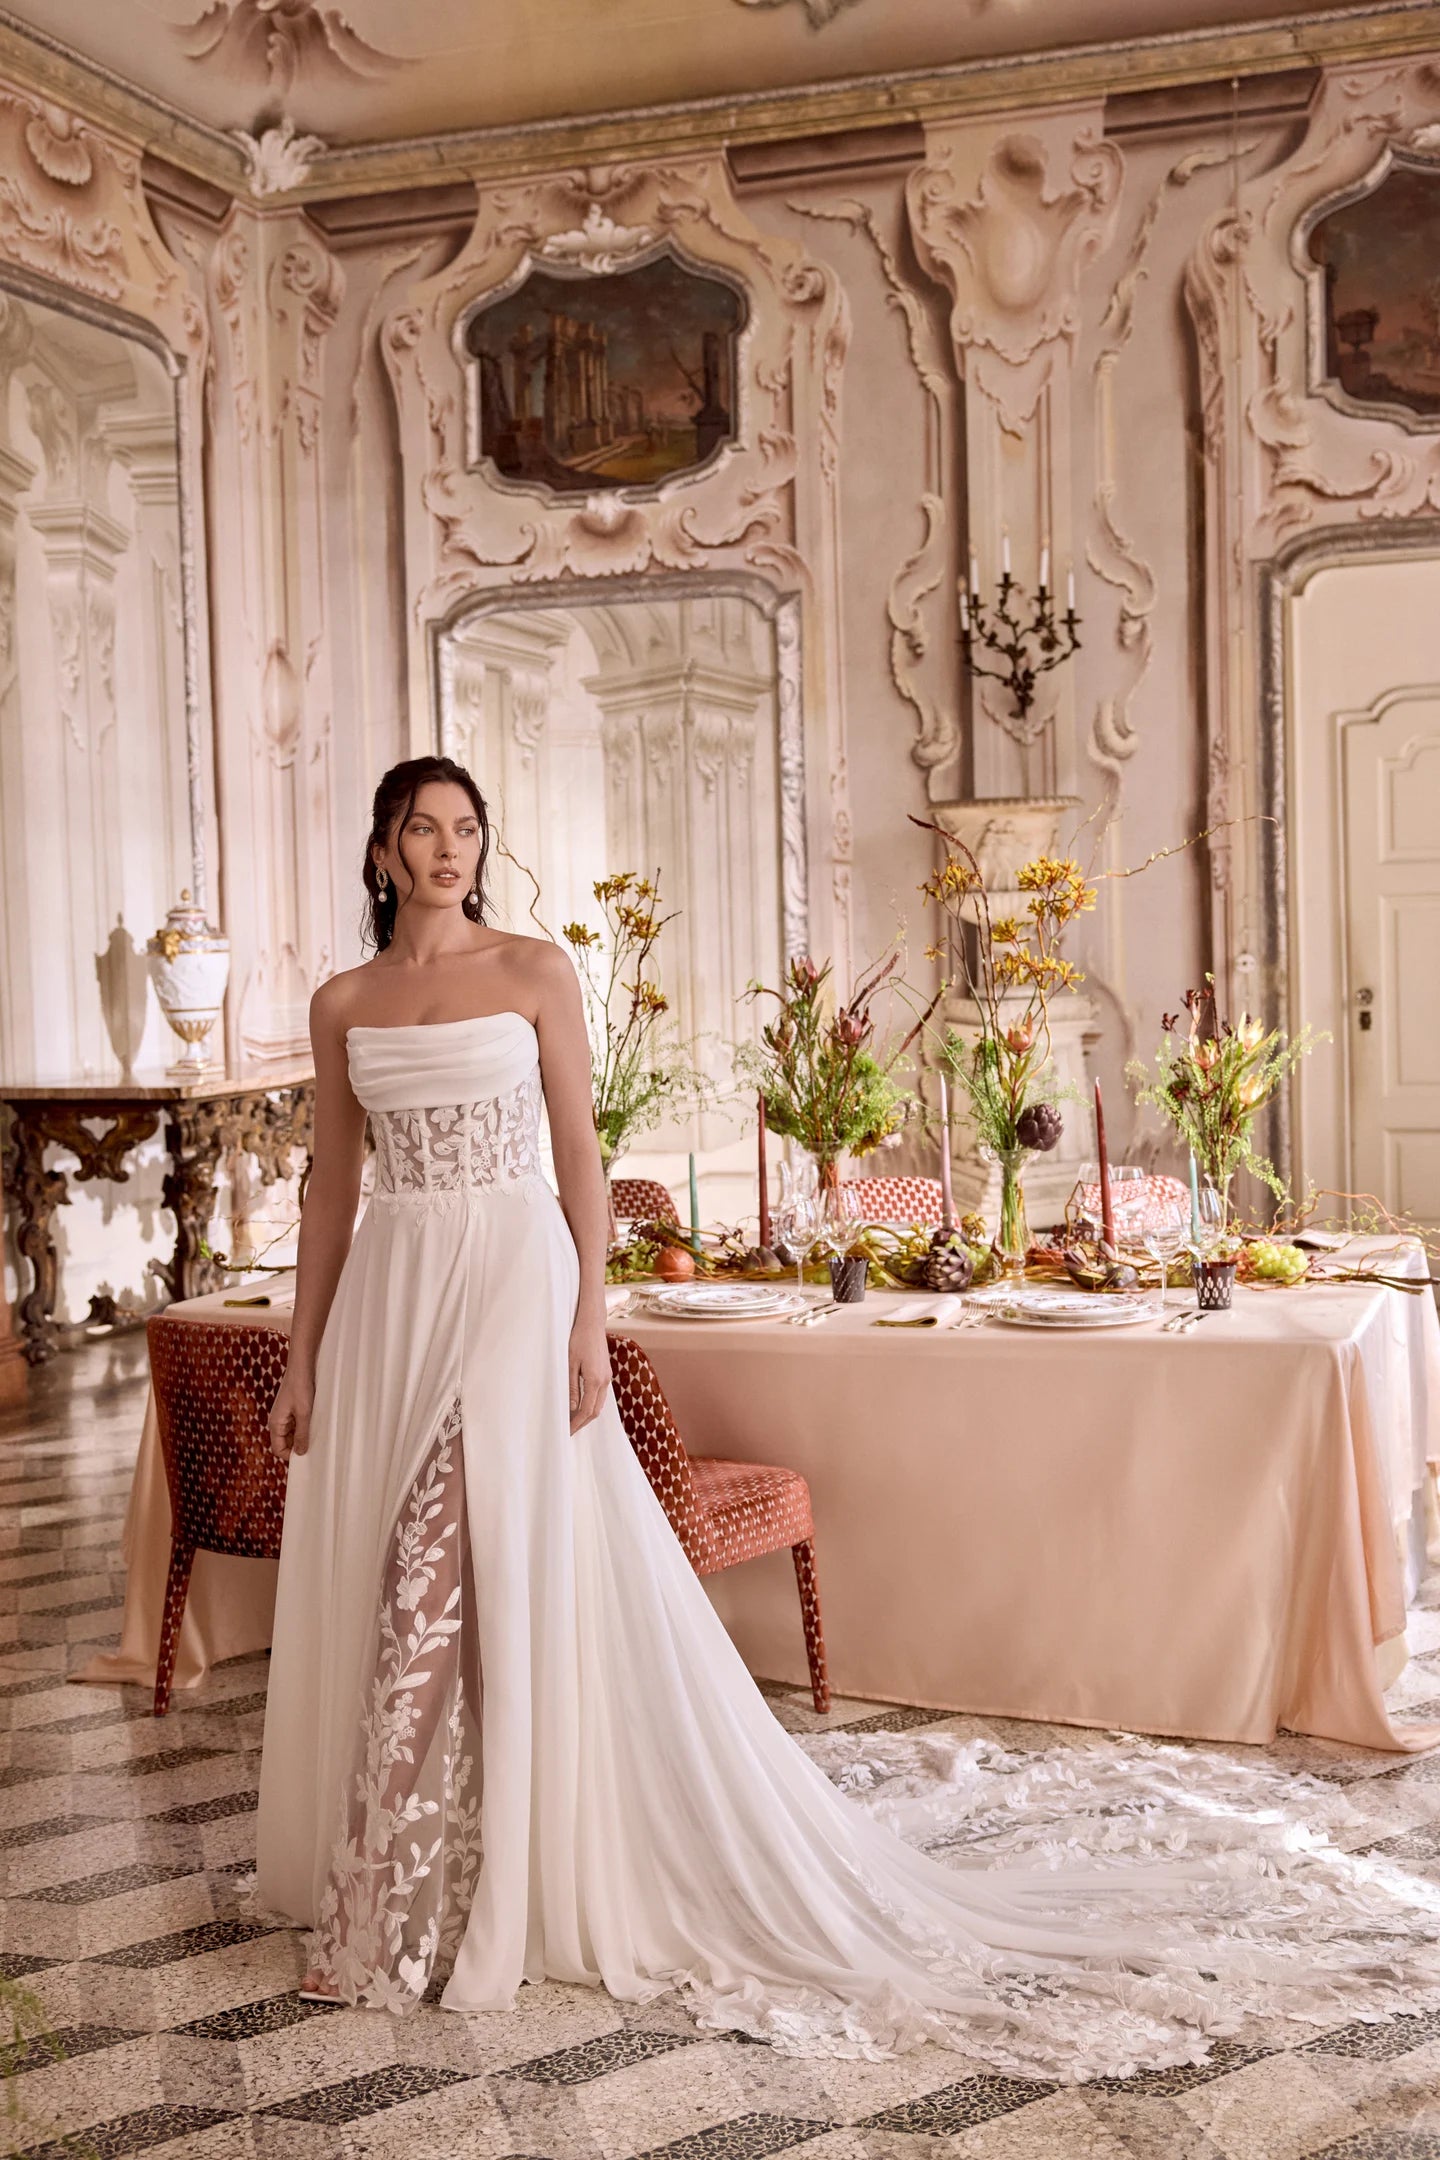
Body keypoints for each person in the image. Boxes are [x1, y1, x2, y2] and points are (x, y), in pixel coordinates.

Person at [256, 753, 1440, 2073]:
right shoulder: (344, 1001)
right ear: (380, 853)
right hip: (391, 1302)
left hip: (511, 1289)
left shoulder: (532, 972)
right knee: (415, 1583)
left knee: (462, 1568)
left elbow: (583, 1158)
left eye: (467, 827)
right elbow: (330, 1191)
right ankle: (447, 1868)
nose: (447, 849)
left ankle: (404, 1910)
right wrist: (304, 1355)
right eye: (421, 830)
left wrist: (587, 1313)